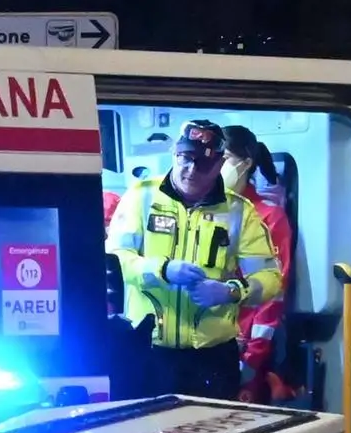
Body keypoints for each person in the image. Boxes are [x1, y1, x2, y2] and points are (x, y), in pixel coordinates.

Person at [107, 118, 284, 398]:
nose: (190, 170)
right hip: (145, 351)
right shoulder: (141, 198)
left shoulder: (239, 212)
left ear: (219, 165)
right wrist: (162, 269)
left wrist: (230, 292)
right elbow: (114, 259)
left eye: (202, 164)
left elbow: (271, 279)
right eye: (184, 158)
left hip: (211, 359)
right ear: (174, 154)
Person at [220, 125, 298, 402]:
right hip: (210, 346)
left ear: (246, 163)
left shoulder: (268, 216)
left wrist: (252, 358)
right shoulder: (205, 212)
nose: (217, 164)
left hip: (246, 349)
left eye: (225, 157)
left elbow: (273, 291)